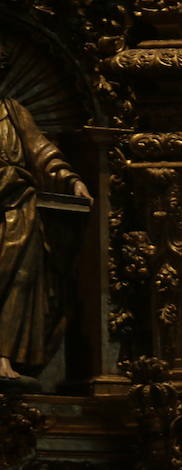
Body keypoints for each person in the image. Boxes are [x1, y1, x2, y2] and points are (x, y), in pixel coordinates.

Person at [0, 82, 92, 386]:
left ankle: (4, 357)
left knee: (22, 278)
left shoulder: (13, 111)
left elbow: (41, 150)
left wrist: (71, 180)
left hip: (17, 204)